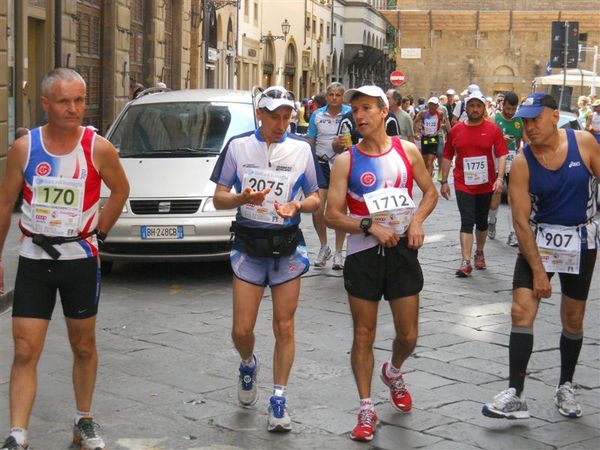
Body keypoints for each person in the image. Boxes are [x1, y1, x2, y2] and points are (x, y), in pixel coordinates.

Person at [0, 68, 129, 450]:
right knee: (25, 348)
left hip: (80, 259)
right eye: (64, 101)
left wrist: (99, 234)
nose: (74, 109)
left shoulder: (97, 147)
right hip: (35, 258)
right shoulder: (25, 148)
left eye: (79, 100)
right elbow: (6, 202)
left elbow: (121, 190)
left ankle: (83, 420)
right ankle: (18, 434)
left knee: (84, 345)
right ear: (45, 104)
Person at [325, 85, 438, 442]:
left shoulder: (407, 151)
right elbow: (331, 215)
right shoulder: (346, 161)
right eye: (355, 109)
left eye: (366, 109)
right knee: (363, 334)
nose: (358, 116)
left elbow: (430, 192)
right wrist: (367, 225)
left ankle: (394, 370)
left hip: (402, 251)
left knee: (408, 335)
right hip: (363, 253)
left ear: (383, 111)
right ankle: (366, 405)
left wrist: (417, 220)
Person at [482, 93, 599, 420]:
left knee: (573, 319)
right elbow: (520, 220)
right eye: (525, 121)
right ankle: (516, 394)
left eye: (535, 119)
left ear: (554, 116)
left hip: (580, 240)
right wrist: (536, 270)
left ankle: (565, 384)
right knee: (521, 310)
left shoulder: (585, 143)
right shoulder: (521, 162)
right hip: (540, 240)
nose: (529, 127)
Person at [210, 86, 320, 432]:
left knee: (284, 326)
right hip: (249, 245)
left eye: (287, 117)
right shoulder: (238, 147)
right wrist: (241, 197)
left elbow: (317, 198)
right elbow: (218, 198)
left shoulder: (302, 149)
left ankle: (278, 398)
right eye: (274, 116)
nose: (281, 123)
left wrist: (298, 205)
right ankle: (248, 363)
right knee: (242, 329)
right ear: (260, 114)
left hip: (286, 246)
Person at [440, 91, 508, 277]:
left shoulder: (493, 130)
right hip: (463, 183)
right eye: (472, 106)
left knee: (482, 222)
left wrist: (500, 178)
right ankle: (466, 261)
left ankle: (480, 252)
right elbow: (447, 156)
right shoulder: (456, 130)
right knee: (467, 221)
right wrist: (444, 181)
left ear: (483, 108)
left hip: (486, 184)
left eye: (478, 106)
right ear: (466, 108)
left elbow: (502, 153)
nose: (475, 109)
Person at [306, 82, 351, 270]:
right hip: (321, 164)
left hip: (344, 164)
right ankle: (324, 247)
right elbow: (310, 139)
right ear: (326, 97)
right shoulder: (317, 114)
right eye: (331, 94)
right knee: (318, 208)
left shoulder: (349, 113)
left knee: (340, 209)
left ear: (342, 97)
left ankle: (339, 252)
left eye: (337, 95)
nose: (334, 98)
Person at [487, 92, 526, 247]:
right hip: (496, 160)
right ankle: (492, 220)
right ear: (503, 105)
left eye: (513, 109)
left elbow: (524, 140)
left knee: (513, 197)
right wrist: (499, 140)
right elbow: (486, 140)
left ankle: (512, 233)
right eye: (508, 108)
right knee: (496, 193)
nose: (510, 112)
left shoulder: (519, 121)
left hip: (513, 161)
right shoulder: (494, 119)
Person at [413, 97, 449, 177]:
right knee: (425, 160)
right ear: (428, 105)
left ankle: (429, 180)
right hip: (425, 138)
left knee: (430, 160)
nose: (432, 107)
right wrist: (415, 133)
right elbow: (415, 121)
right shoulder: (423, 113)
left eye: (434, 105)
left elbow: (443, 123)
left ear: (437, 106)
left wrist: (443, 127)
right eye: (431, 105)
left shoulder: (440, 114)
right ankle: (430, 169)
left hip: (433, 138)